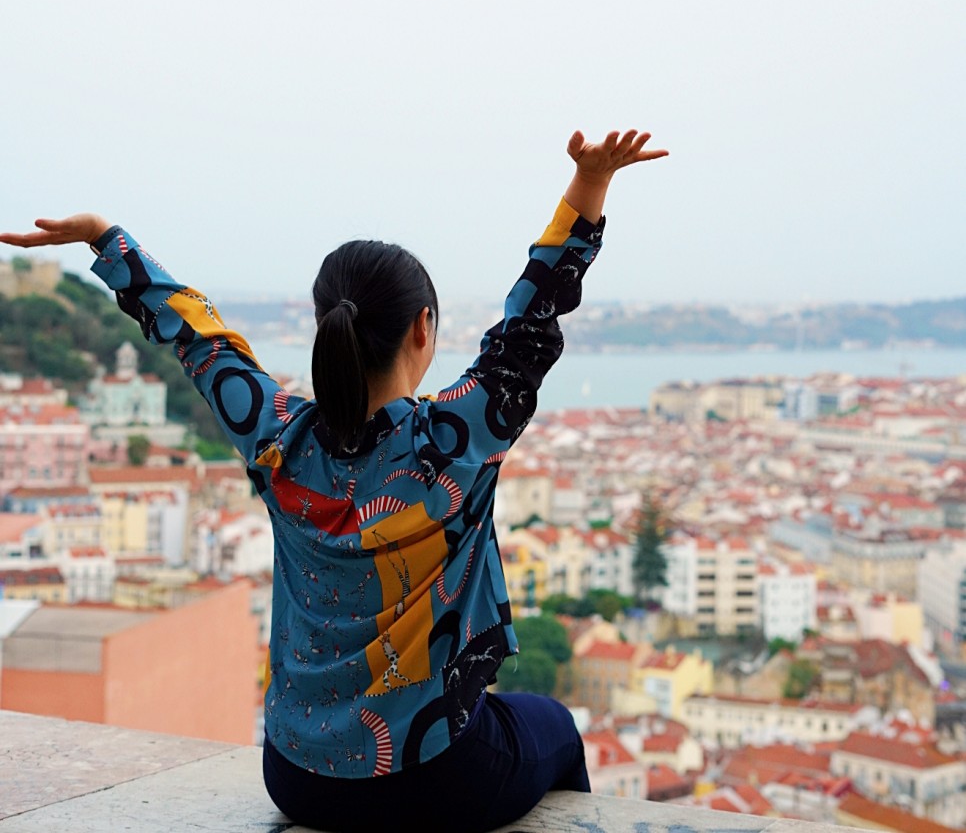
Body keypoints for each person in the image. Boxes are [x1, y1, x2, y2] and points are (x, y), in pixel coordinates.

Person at [1, 128, 667, 833]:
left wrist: (109, 240)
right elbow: (531, 320)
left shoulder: (276, 436)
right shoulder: (458, 437)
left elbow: (197, 338)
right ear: (423, 329)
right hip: (440, 774)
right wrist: (589, 185)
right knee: (556, 725)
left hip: (297, 777)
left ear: (326, 327)